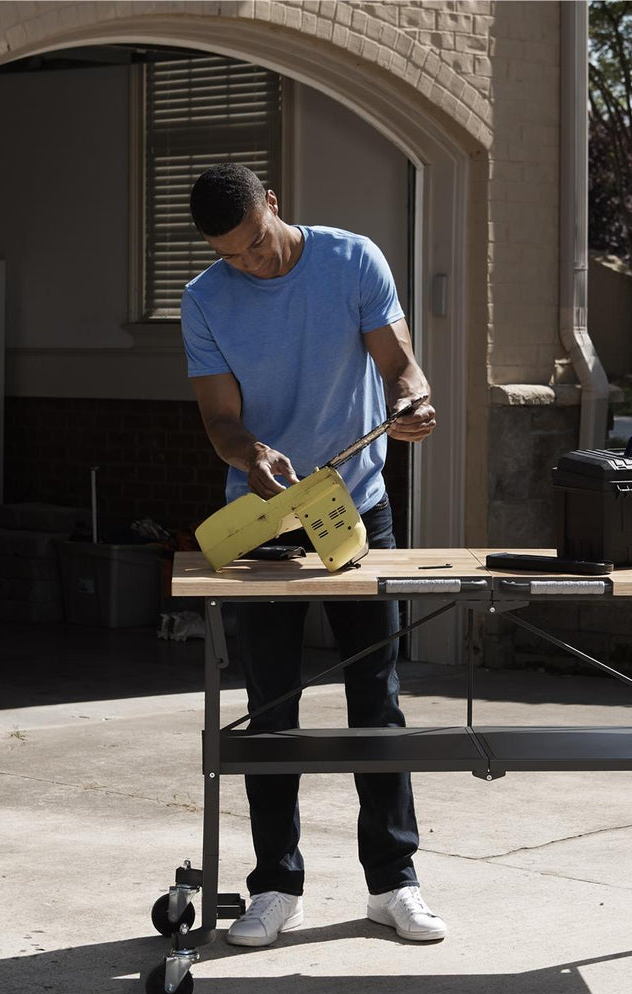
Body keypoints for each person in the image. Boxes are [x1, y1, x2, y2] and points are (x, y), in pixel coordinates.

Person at [180, 163, 445, 948]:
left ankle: (394, 883)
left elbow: (400, 365)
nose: (249, 263)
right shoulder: (205, 299)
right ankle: (275, 885)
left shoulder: (352, 260)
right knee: (271, 704)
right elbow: (220, 421)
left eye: (256, 244)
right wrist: (250, 452)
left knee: (376, 695)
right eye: (230, 255)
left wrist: (411, 400)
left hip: (354, 508)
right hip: (264, 517)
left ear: (274, 203)